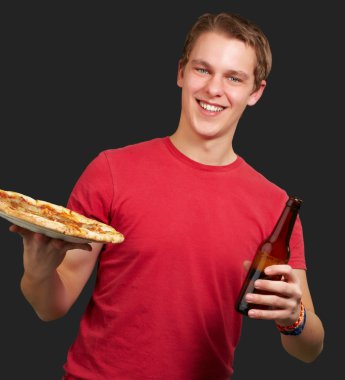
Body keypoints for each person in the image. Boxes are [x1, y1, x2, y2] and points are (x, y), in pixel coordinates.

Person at [10, 11, 324, 380]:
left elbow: (310, 350)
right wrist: (35, 274)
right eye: (202, 69)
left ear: (255, 92)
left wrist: (295, 318)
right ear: (181, 72)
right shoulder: (111, 170)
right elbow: (51, 306)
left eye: (234, 78)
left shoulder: (277, 207)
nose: (213, 89)